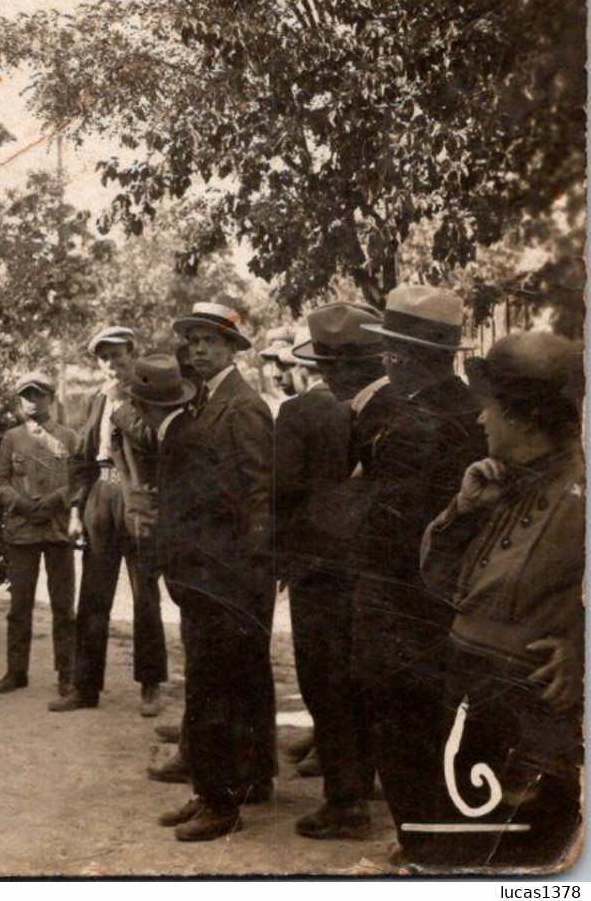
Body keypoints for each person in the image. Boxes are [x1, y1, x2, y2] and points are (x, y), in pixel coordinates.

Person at [419, 331, 583, 867]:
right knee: (458, 846)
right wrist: (463, 512)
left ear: (525, 416)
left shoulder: (579, 493)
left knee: (512, 859)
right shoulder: (502, 481)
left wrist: (580, 652)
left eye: (490, 409)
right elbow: (440, 583)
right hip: (472, 700)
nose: (479, 420)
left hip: (528, 724)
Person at [349, 285, 485, 864]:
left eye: (389, 354)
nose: (386, 363)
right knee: (438, 726)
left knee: (403, 726)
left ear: (404, 356)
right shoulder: (469, 409)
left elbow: (388, 527)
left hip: (401, 600)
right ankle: (435, 838)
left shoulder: (417, 423)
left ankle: (422, 846)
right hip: (448, 598)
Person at [151, 303, 276, 842]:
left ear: (232, 349)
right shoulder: (202, 404)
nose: (198, 350)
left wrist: (247, 573)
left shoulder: (243, 407)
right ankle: (222, 785)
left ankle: (221, 803)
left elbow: (259, 496)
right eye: (193, 341)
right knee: (220, 682)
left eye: (210, 341)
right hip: (205, 572)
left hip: (229, 575)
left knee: (218, 685)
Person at [279, 303, 389, 840]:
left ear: (322, 361)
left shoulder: (301, 413)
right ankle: (364, 782)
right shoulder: (394, 408)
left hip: (319, 568)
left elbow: (282, 492)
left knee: (324, 679)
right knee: (364, 679)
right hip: (378, 570)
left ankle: (346, 802)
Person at [51, 326, 168, 717]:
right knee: (94, 594)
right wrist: (75, 510)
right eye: (104, 357)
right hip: (101, 494)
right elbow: (80, 459)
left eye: (118, 355)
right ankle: (85, 687)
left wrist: (123, 406)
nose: (112, 364)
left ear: (133, 354)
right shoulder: (92, 400)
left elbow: (155, 441)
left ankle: (150, 685)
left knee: (144, 594)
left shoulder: (150, 393)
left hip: (137, 496)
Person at [0, 372, 80, 696]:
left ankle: (66, 674)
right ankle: (17, 671)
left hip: (57, 530)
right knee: (20, 605)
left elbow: (79, 480)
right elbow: (0, 481)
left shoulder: (69, 438)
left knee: (62, 606)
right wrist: (21, 503)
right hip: (22, 530)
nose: (33, 401)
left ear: (51, 397)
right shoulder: (11, 438)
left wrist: (57, 499)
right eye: (27, 395)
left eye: (39, 394)